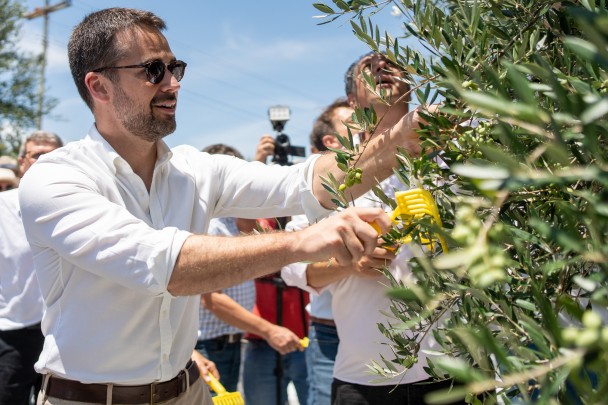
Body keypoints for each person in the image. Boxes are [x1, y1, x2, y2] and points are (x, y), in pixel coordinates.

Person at [18, 8, 427, 405]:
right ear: (99, 87)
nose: (173, 85)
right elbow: (167, 266)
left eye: (175, 69)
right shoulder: (55, 178)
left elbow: (304, 181)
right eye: (152, 71)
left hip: (189, 391)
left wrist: (403, 139)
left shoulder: (196, 171)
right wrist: (307, 240)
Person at [283, 52, 462, 405]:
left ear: (413, 86)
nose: (382, 69)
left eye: (392, 65)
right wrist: (347, 264)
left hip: (458, 370)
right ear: (352, 100)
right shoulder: (330, 175)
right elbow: (293, 267)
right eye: (370, 68)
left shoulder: (454, 158)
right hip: (365, 381)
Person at [196, 143, 303, 394]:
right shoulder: (211, 226)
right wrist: (268, 330)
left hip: (228, 343)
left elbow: (256, 235)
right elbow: (212, 299)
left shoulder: (231, 222)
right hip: (210, 347)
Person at [280, 98, 355, 405]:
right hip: (329, 338)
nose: (367, 126)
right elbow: (293, 269)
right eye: (355, 123)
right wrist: (352, 263)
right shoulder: (312, 195)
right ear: (331, 141)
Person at [0, 131, 63, 405]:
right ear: (23, 161)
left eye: (54, 156)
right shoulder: (2, 208)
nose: (46, 162)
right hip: (13, 334)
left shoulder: (77, 210)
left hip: (62, 333)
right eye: (38, 155)